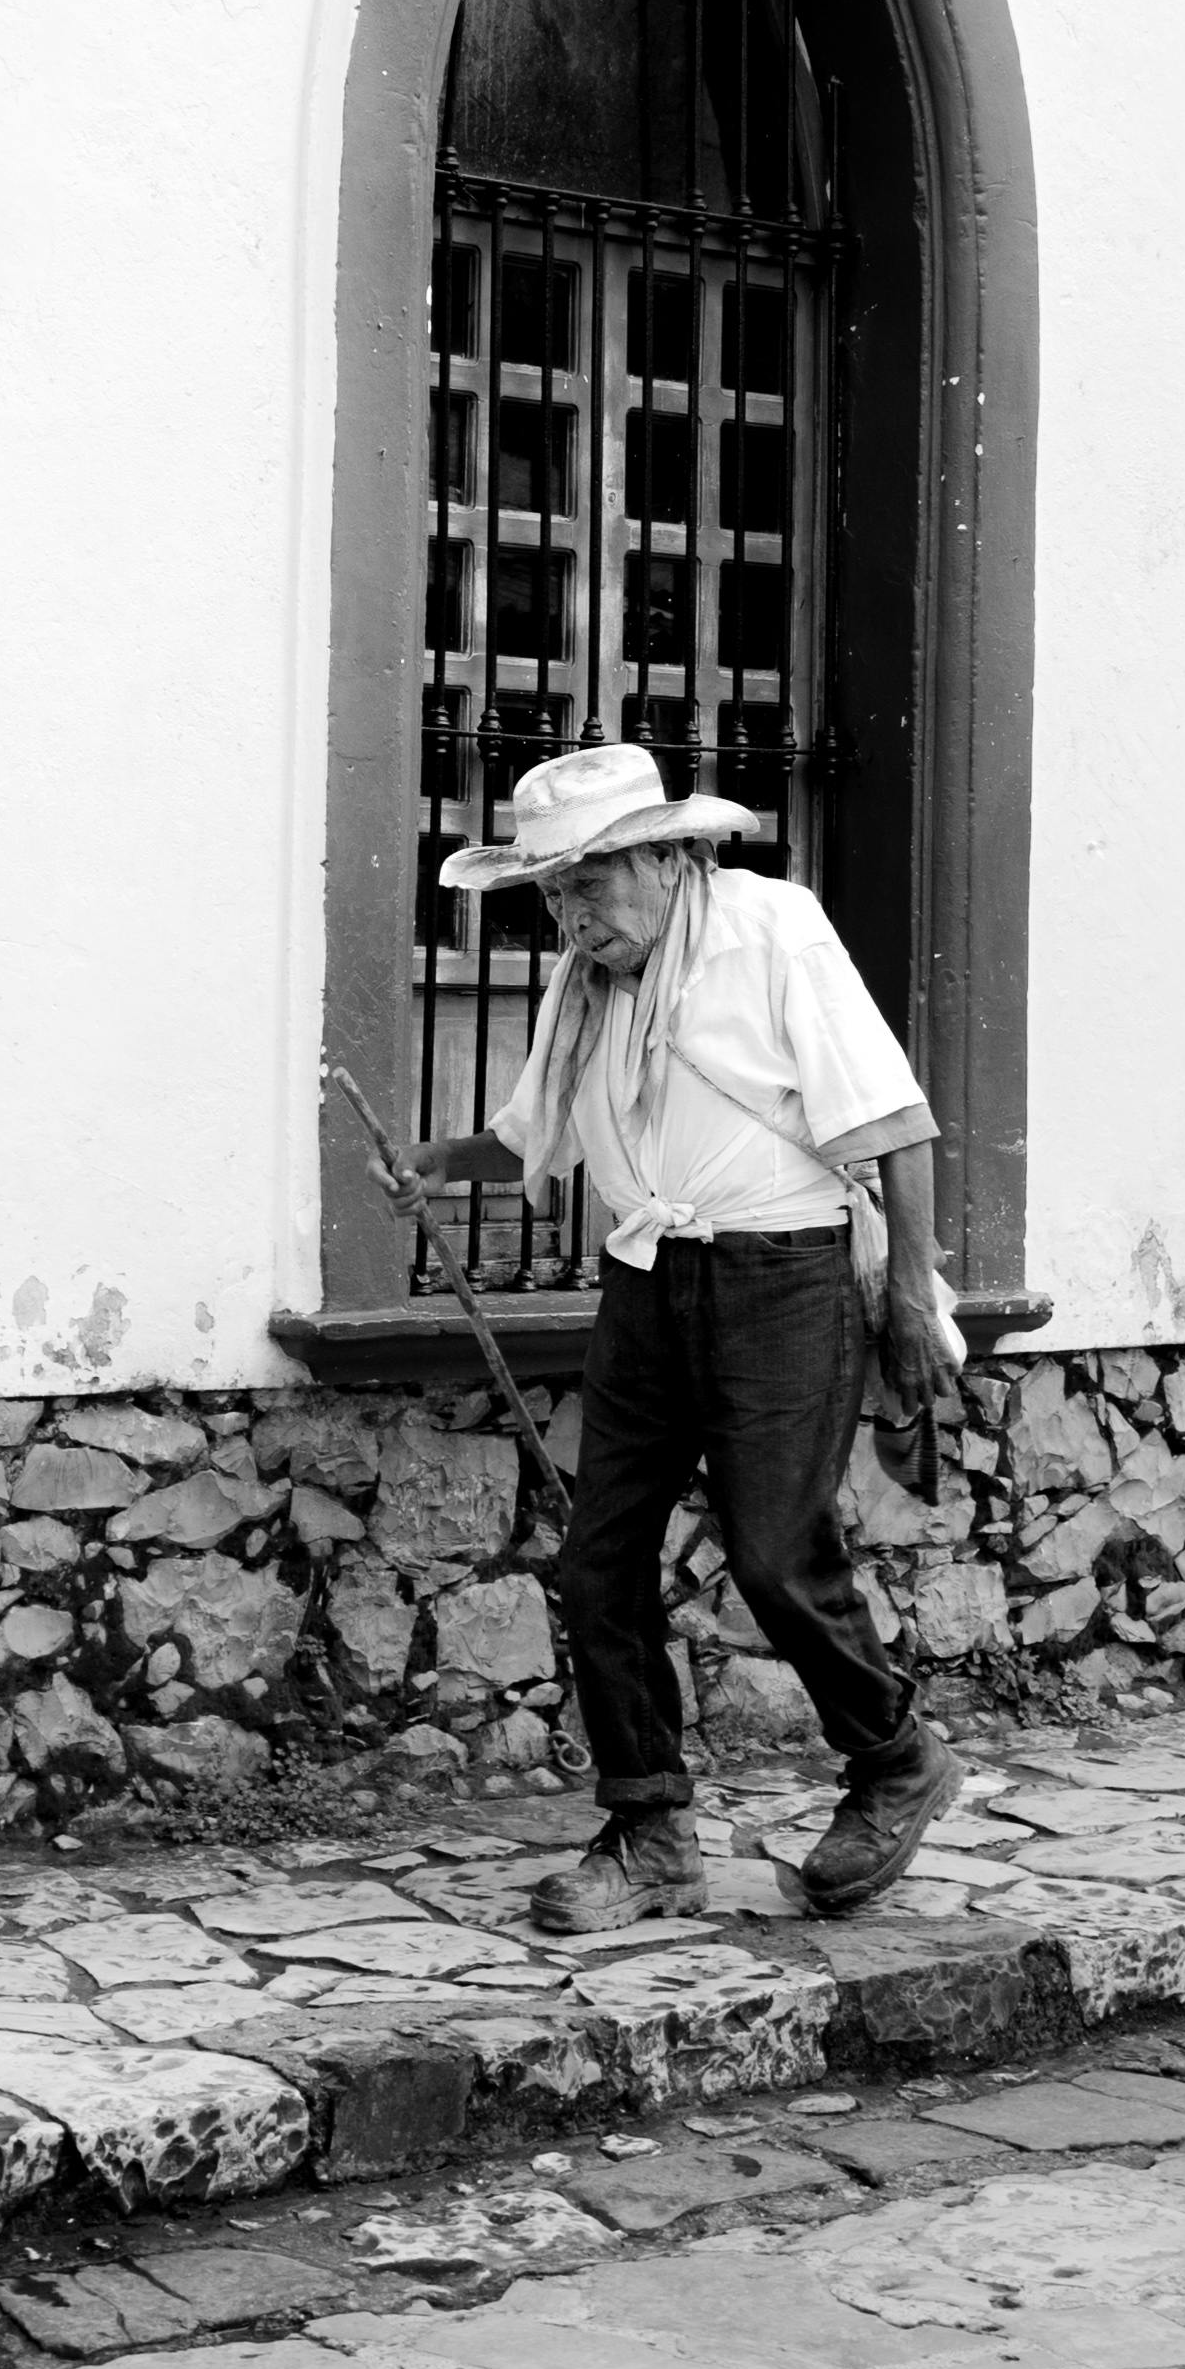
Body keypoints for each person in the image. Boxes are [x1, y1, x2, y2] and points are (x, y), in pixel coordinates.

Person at [410, 741, 960, 1928]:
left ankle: (894, 1758)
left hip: (784, 1274)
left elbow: (894, 1118)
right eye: (551, 889)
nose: (569, 911)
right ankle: (649, 1833)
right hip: (646, 1279)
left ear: (667, 855)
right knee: (595, 1561)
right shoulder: (584, 986)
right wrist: (431, 1166)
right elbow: (527, 1142)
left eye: (590, 880)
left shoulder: (770, 927)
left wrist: (909, 1299)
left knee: (772, 1552)